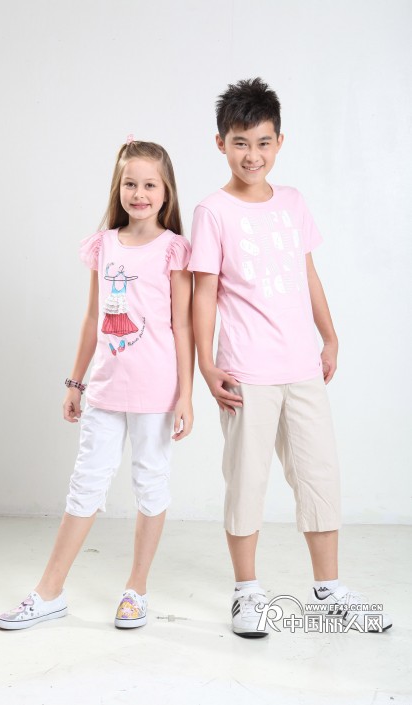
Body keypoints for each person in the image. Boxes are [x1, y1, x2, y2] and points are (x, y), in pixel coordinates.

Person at [188, 78, 392, 637]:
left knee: (318, 476)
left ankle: (328, 591)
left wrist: (330, 337)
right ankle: (247, 593)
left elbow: (308, 274)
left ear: (280, 141)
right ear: (220, 144)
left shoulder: (293, 202)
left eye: (262, 142)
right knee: (246, 482)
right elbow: (204, 293)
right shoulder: (212, 212)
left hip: (302, 366)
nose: (252, 155)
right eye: (240, 143)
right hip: (246, 372)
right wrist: (206, 364)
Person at [0, 138, 194, 630]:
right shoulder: (103, 244)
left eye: (150, 185)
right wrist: (75, 382)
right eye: (131, 184)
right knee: (85, 484)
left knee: (151, 483)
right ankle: (49, 592)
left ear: (166, 192)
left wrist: (187, 395)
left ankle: (136, 589)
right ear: (118, 188)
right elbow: (92, 318)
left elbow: (184, 326)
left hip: (156, 392)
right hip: (105, 389)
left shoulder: (173, 250)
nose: (139, 194)